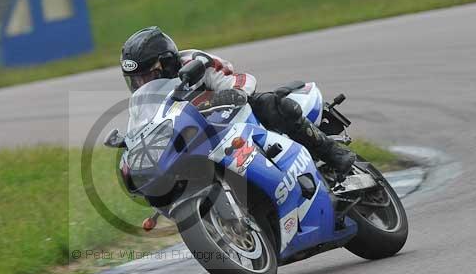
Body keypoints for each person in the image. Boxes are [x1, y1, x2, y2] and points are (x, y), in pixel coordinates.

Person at [120, 26, 356, 174]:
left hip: (237, 120)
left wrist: (234, 93)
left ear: (168, 62)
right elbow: (144, 122)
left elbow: (242, 81)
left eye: (149, 76)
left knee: (269, 104)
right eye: (136, 80)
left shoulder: (196, 62)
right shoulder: (146, 101)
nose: (142, 85)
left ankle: (332, 152)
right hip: (203, 139)